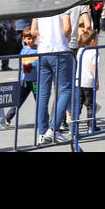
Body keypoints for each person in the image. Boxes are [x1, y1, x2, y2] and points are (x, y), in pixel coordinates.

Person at [31, 8, 72, 144]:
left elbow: (33, 31)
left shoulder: (40, 7)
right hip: (59, 50)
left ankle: (42, 132)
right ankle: (53, 129)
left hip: (43, 51)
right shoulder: (64, 6)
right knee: (66, 90)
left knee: (43, 93)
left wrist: (46, 33)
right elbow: (67, 29)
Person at [2, 26, 38, 128]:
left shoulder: (38, 49)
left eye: (33, 38)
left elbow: (34, 64)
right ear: (24, 39)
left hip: (35, 81)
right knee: (18, 100)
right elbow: (24, 64)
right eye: (28, 38)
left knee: (39, 100)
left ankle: (43, 118)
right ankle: (8, 117)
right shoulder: (23, 50)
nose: (31, 40)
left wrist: (31, 64)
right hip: (25, 81)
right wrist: (31, 64)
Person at [76, 26, 99, 132]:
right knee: (90, 105)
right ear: (93, 41)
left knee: (78, 104)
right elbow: (94, 67)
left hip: (78, 81)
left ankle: (74, 127)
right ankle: (91, 126)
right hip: (89, 82)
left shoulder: (80, 50)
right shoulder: (94, 52)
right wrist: (96, 80)